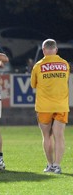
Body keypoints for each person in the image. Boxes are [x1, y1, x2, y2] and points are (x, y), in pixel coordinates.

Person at [31, 39, 70, 174]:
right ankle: (57, 166)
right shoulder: (65, 64)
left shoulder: (38, 66)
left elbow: (33, 85)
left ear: (43, 50)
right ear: (56, 50)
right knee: (59, 136)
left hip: (44, 106)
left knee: (46, 136)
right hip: (61, 105)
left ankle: (49, 164)